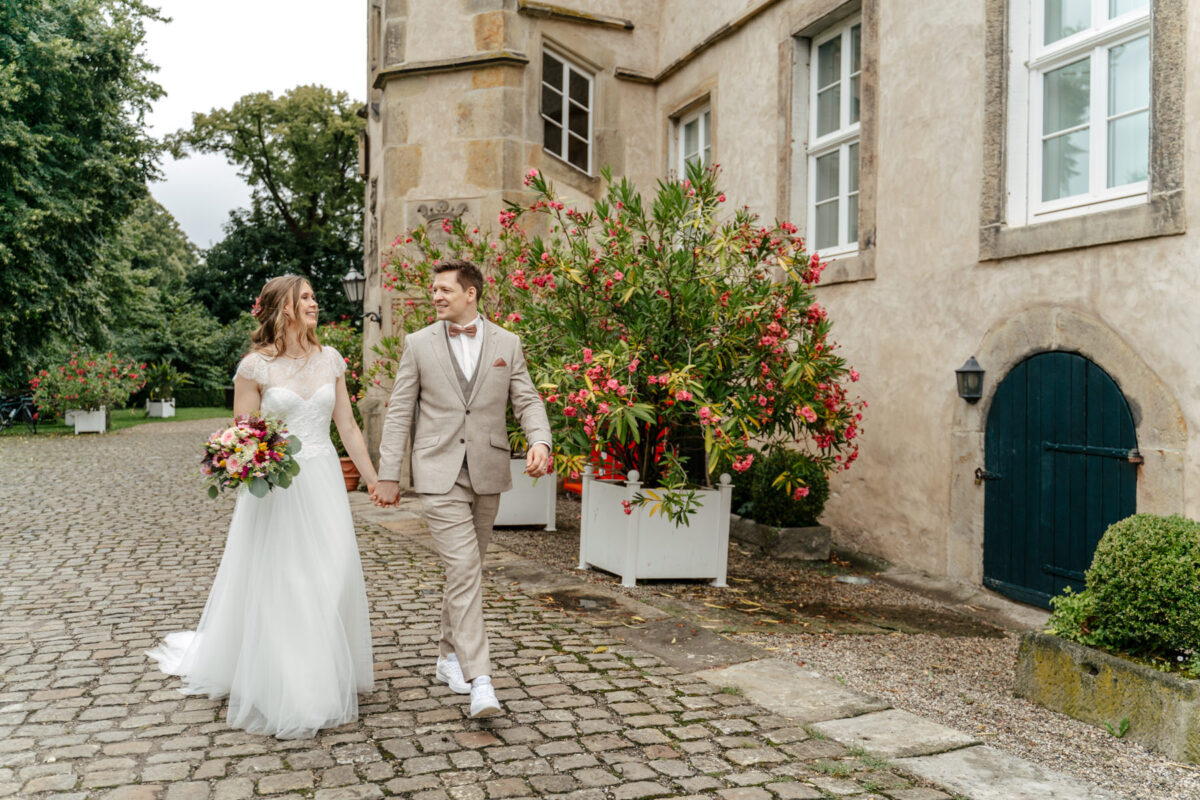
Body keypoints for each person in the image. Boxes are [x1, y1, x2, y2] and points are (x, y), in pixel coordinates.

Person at [147, 275, 378, 739]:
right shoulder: (254, 368)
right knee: (291, 581)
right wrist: (255, 461)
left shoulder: (331, 359)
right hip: (279, 490)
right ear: (284, 307)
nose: (314, 302)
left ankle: (326, 666)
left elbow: (348, 426)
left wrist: (375, 480)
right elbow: (244, 434)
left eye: (314, 295)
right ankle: (296, 687)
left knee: (332, 573)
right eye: (306, 296)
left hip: (324, 481)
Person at [372, 258, 551, 719]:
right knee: (465, 566)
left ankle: (447, 655)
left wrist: (540, 441)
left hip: (488, 470)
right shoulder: (418, 344)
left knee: (466, 572)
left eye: (445, 289)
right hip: (438, 473)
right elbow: (399, 411)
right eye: (433, 289)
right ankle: (481, 681)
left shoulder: (507, 343)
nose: (435, 296)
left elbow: (526, 399)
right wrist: (388, 474)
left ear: (471, 293)